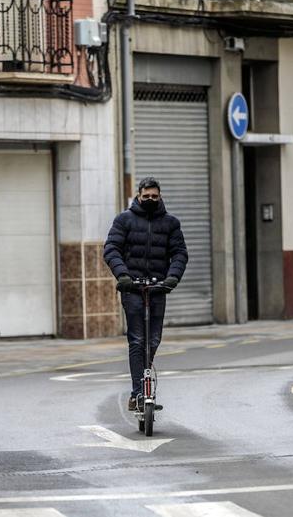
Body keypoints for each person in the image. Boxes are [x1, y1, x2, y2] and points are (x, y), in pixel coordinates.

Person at [103, 177, 188, 412]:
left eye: (154, 196)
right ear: (138, 196)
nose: (150, 200)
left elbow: (180, 253)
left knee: (153, 341)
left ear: (160, 197)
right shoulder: (124, 220)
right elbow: (111, 249)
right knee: (138, 340)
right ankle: (138, 393)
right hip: (133, 288)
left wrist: (172, 278)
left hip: (158, 287)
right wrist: (122, 276)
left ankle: (144, 386)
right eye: (146, 196)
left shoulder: (171, 223)